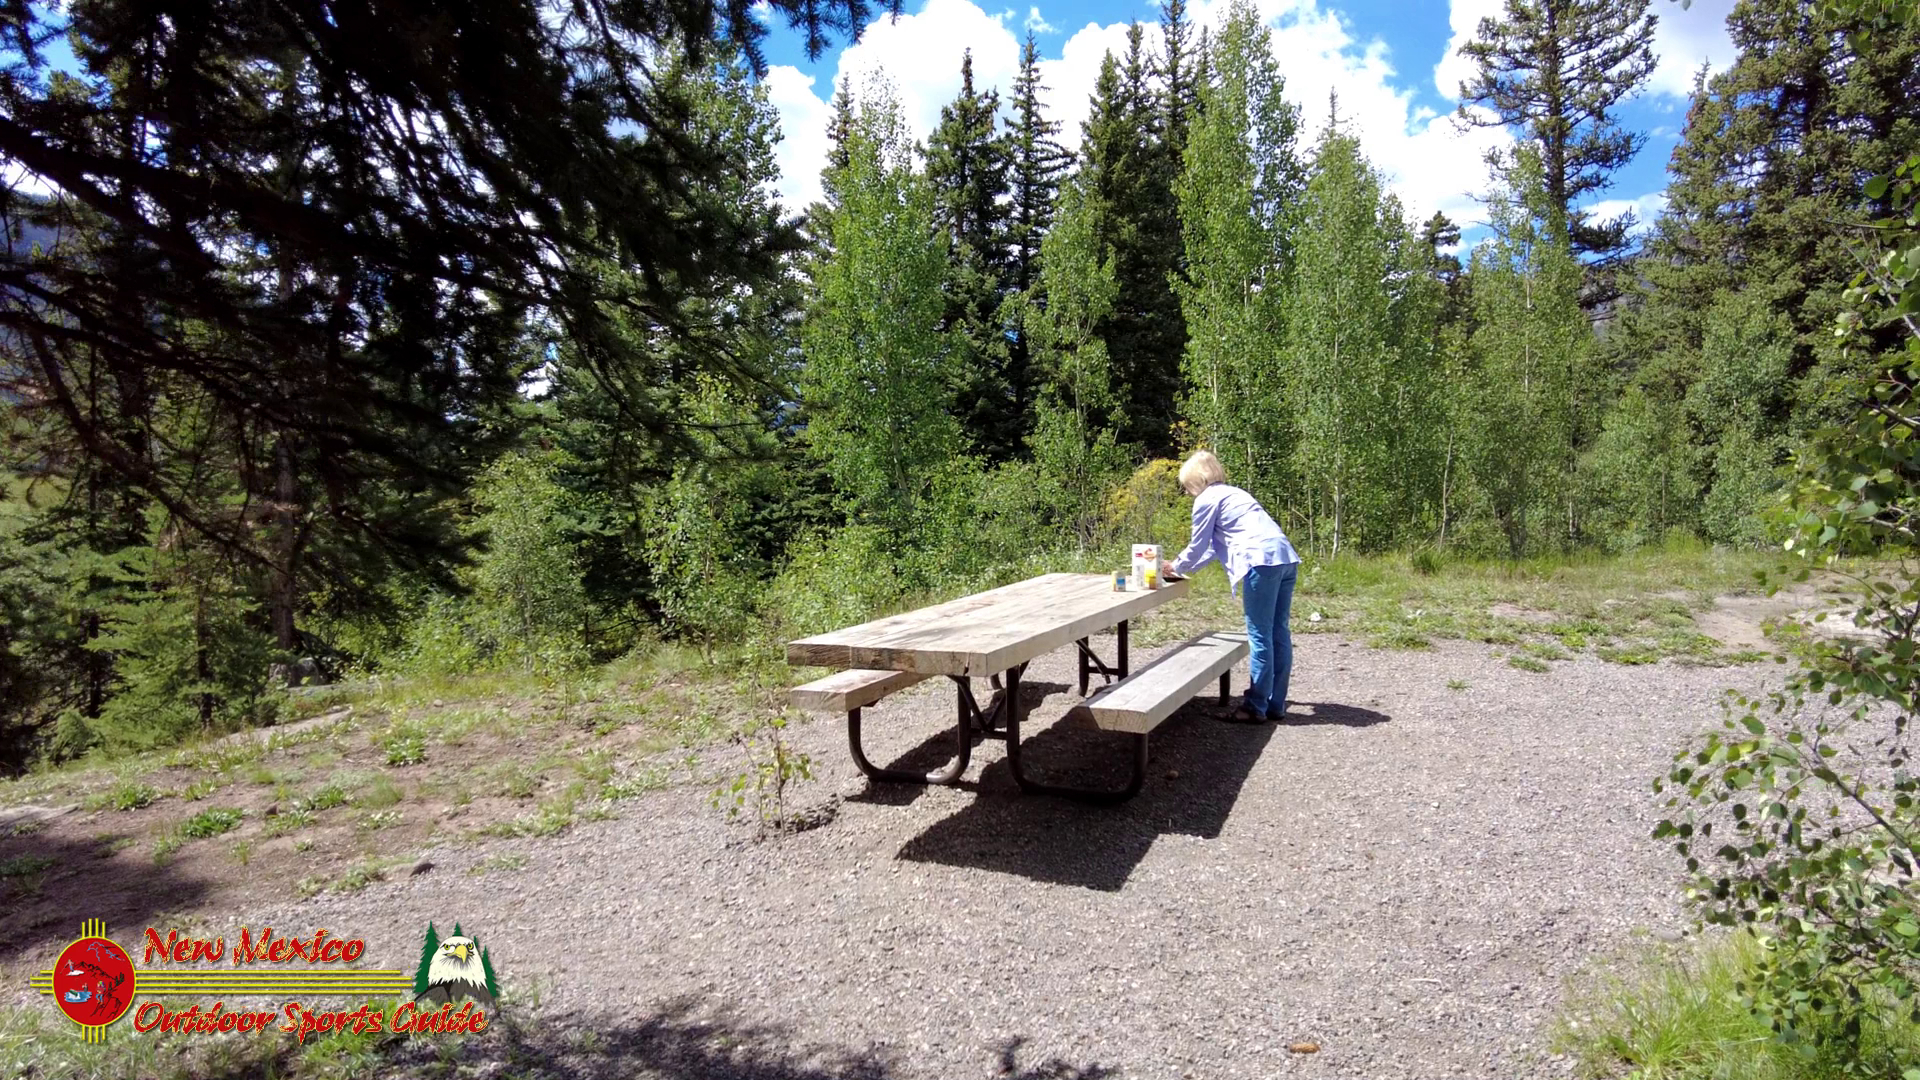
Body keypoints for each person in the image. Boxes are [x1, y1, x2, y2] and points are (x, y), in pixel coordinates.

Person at [1161, 450, 1300, 722]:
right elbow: (1212, 548)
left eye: (1187, 486)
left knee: (1260, 635)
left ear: (1196, 480)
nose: (1187, 492)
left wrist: (1174, 566)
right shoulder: (1235, 494)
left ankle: (1254, 707)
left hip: (1259, 562)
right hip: (1284, 557)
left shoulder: (1206, 499)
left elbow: (1198, 545)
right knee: (1279, 632)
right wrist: (1181, 568)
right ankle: (1275, 704)